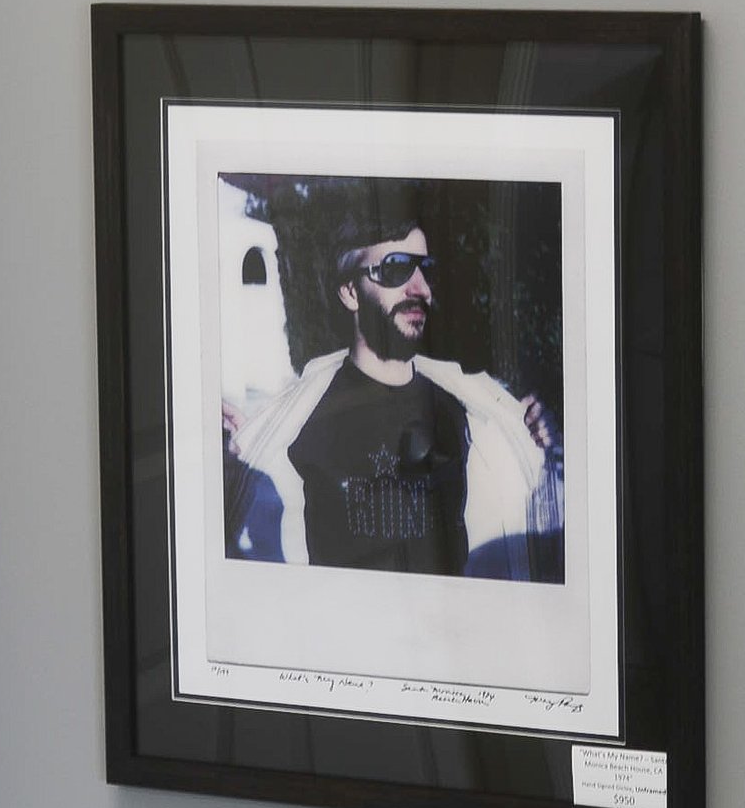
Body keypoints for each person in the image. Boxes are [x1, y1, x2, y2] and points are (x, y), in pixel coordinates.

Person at [225, 196, 562, 582]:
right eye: (396, 268)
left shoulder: (466, 411)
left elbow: (527, 504)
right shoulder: (304, 423)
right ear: (350, 292)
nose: (420, 288)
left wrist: (539, 436)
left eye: (425, 269)